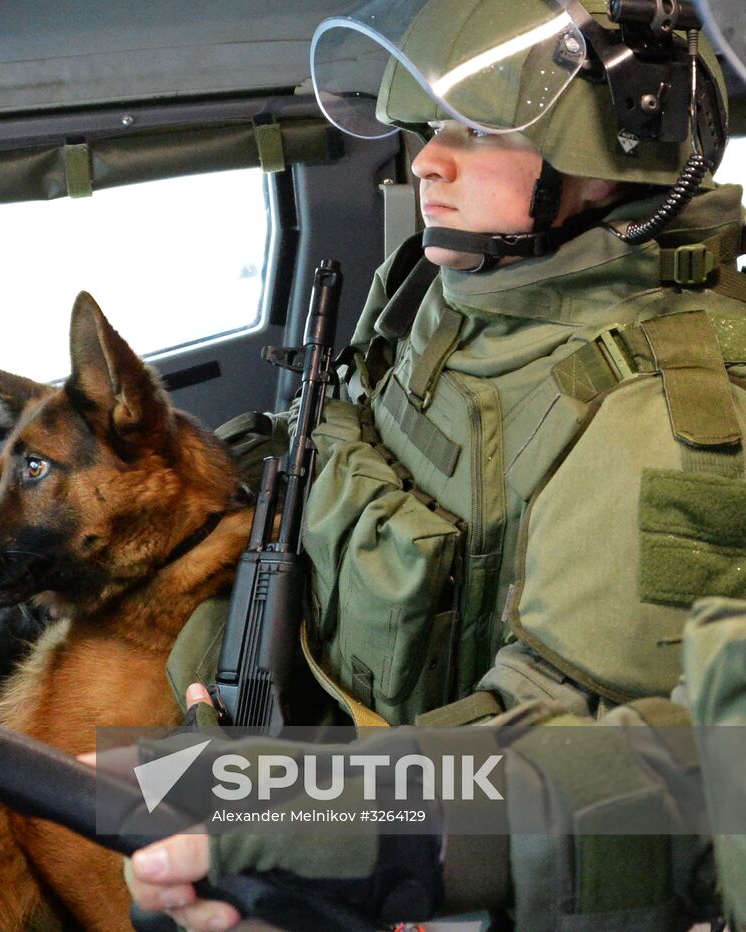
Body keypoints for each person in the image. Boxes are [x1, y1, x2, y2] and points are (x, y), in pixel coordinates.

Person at [124, 0, 746, 926]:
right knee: (102, 807)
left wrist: (303, 809)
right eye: (428, 126)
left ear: (602, 161)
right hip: (293, 699)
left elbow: (563, 761)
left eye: (476, 129)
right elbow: (335, 438)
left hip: (429, 833)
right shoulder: (438, 283)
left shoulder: (656, 413)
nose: (424, 159)